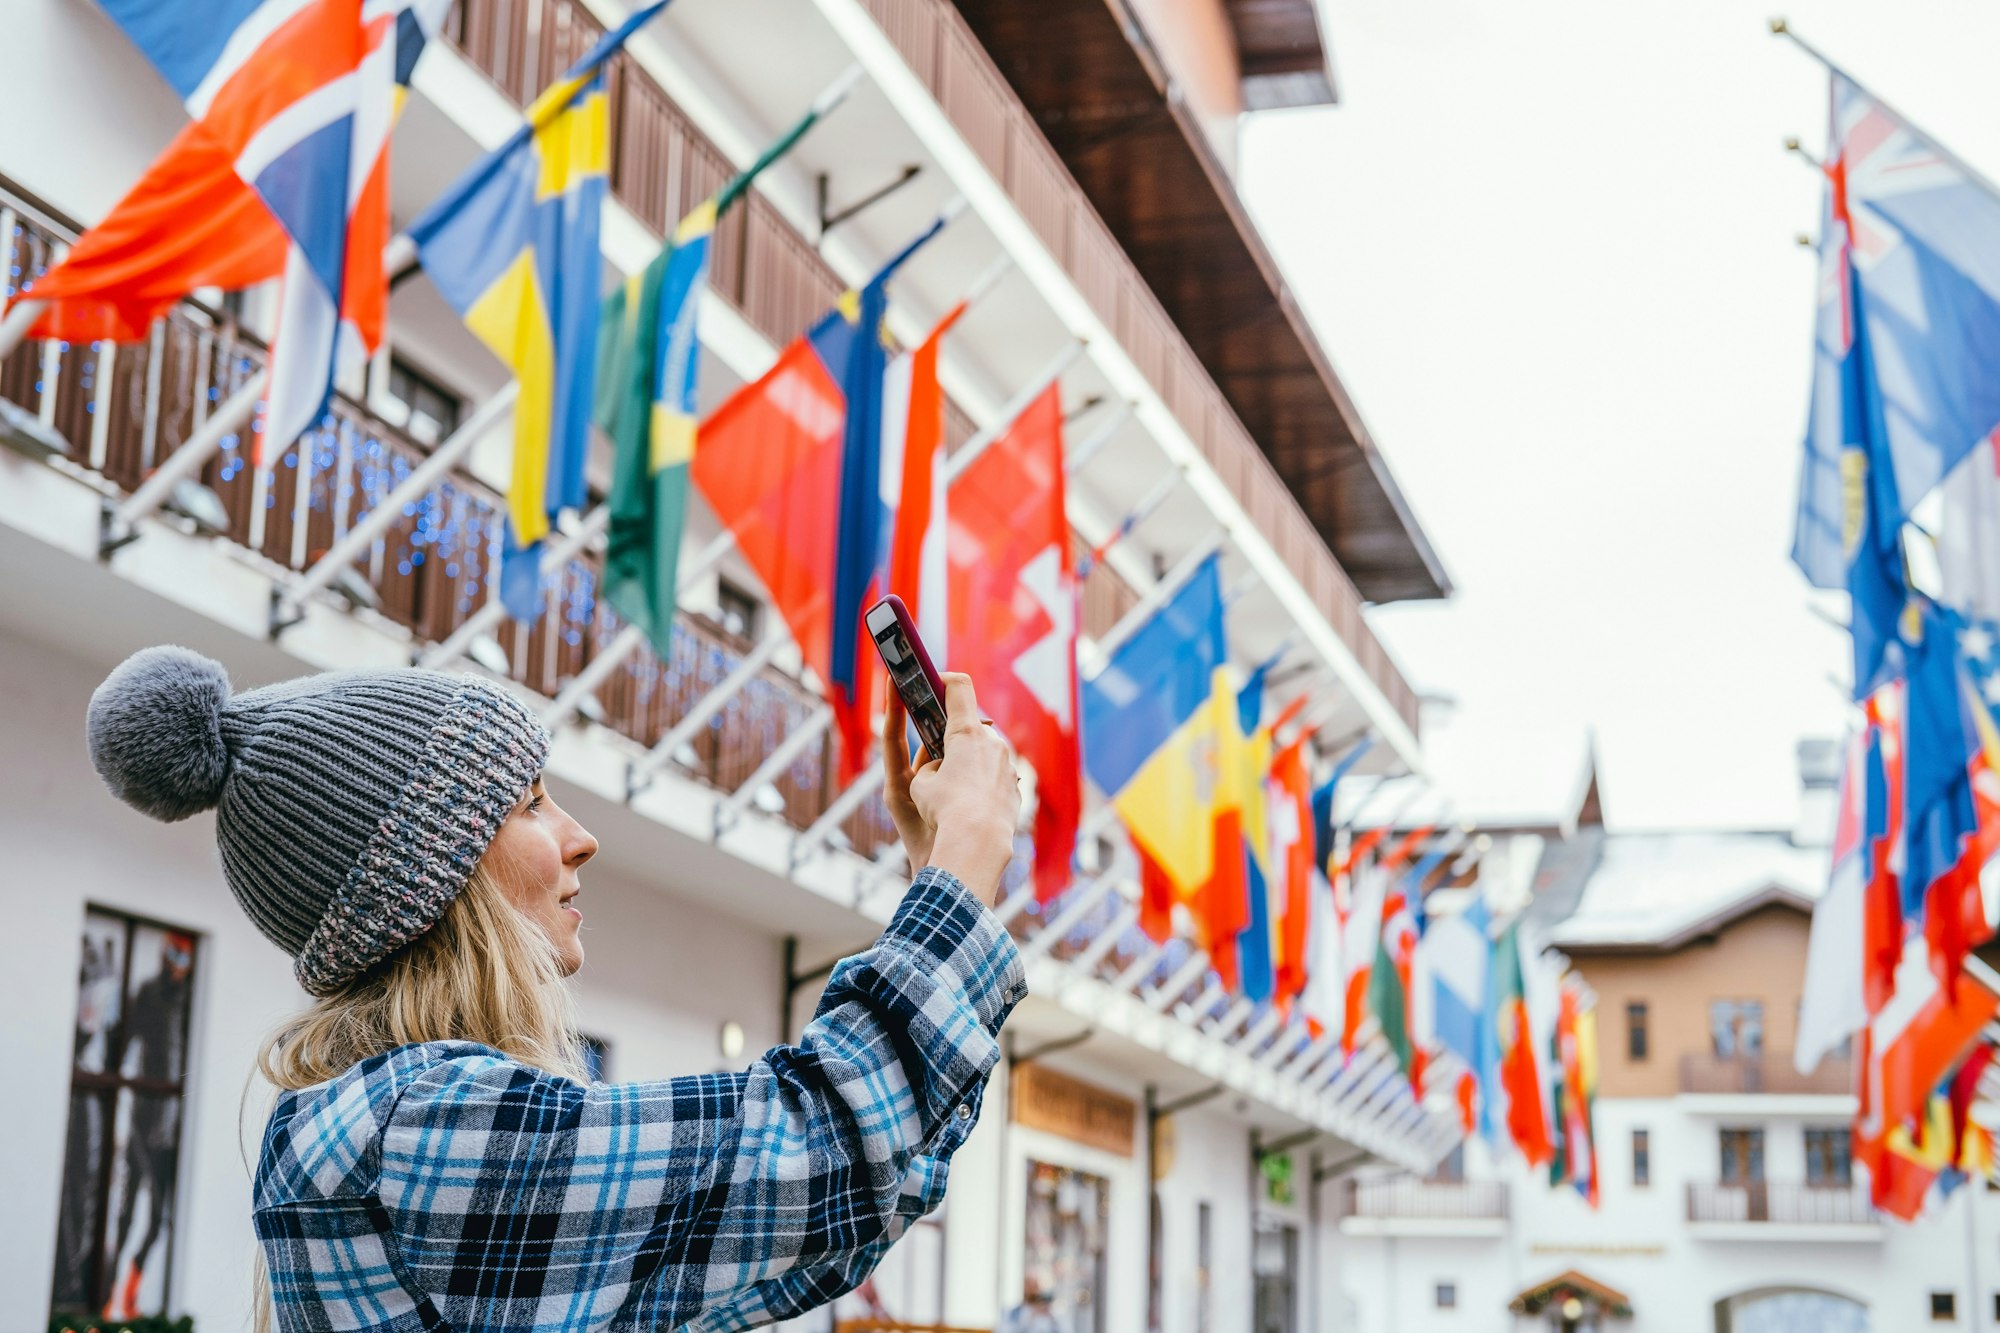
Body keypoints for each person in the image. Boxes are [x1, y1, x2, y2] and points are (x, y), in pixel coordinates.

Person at [86, 645, 1027, 1331]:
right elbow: (814, 1148)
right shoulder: (425, 1127)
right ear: (434, 877)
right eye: (530, 801)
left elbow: (833, 1214)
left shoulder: (394, 1119)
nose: (581, 836)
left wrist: (939, 880)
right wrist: (964, 860)